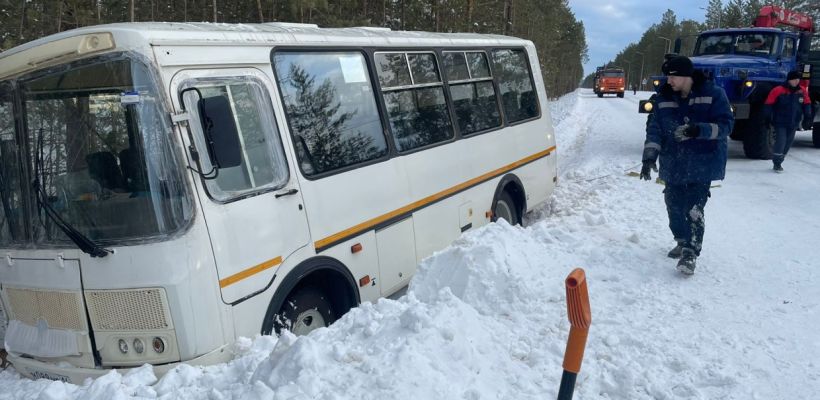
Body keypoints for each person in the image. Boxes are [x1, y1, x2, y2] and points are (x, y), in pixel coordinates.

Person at [639, 56, 734, 275]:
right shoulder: (662, 98)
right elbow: (654, 129)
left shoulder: (713, 94)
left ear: (686, 76)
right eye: (668, 76)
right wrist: (649, 157)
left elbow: (726, 126)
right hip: (674, 162)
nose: (668, 80)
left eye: (673, 76)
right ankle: (681, 240)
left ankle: (690, 253)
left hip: (703, 162)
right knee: (673, 205)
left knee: (693, 209)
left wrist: (698, 130)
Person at [763, 70, 812, 172]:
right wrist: (767, 118)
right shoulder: (778, 90)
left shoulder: (802, 91)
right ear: (789, 79)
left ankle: (780, 159)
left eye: (798, 79)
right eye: (794, 79)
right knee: (781, 142)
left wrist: (808, 117)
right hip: (780, 122)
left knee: (788, 143)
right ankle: (776, 163)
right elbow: (768, 104)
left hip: (794, 122)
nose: (796, 81)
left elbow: (807, 104)